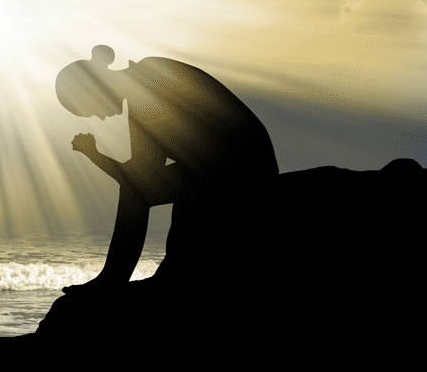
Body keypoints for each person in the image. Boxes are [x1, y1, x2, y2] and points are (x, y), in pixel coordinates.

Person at [56, 45, 279, 293]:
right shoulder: (145, 78)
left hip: (241, 170)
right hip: (224, 167)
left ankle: (113, 280)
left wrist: (96, 156)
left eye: (89, 110)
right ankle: (124, 277)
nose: (98, 118)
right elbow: (143, 175)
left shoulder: (145, 90)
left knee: (134, 195)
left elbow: (139, 182)